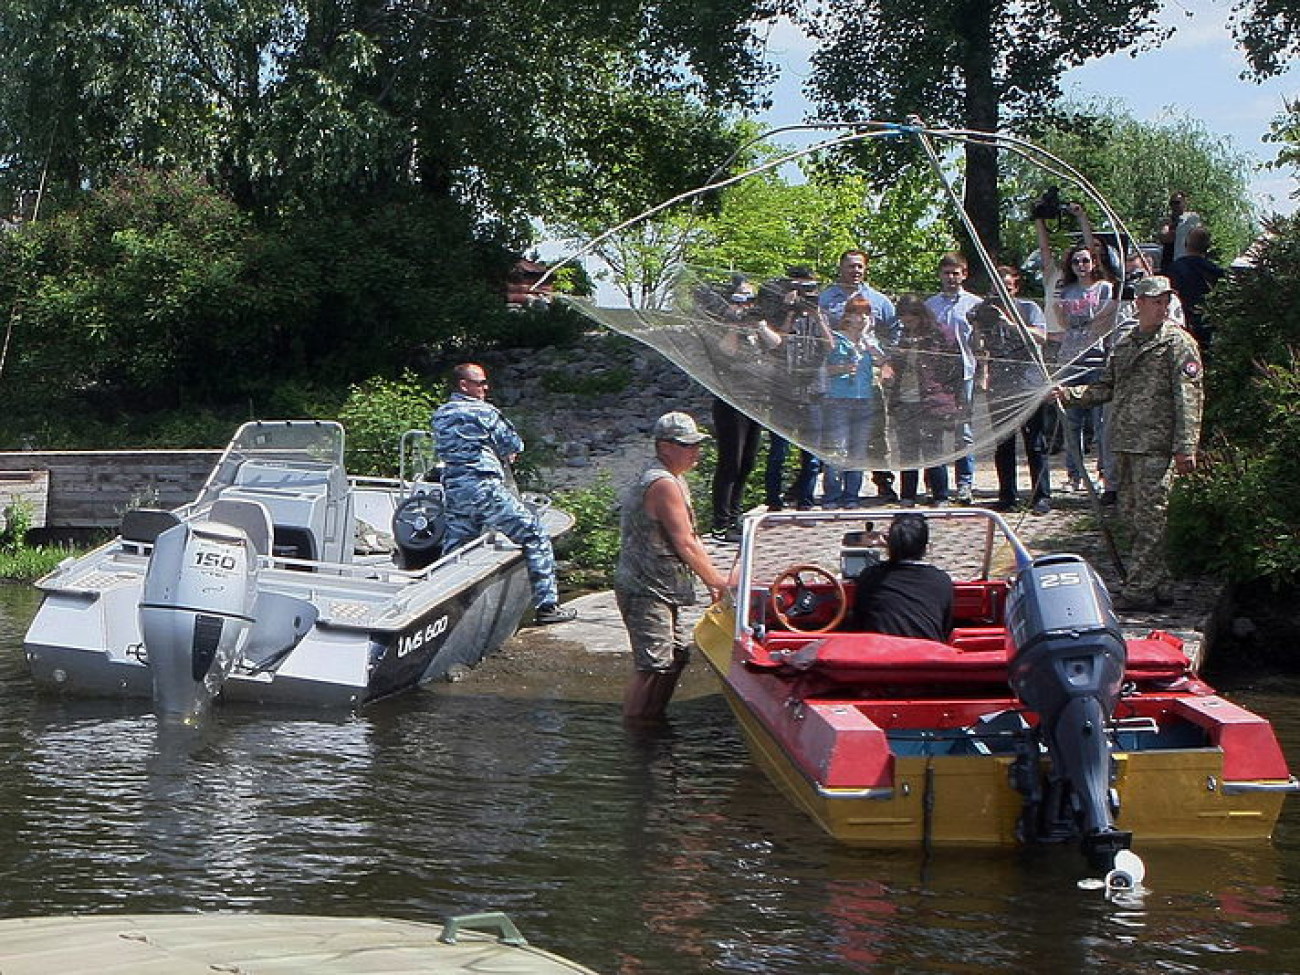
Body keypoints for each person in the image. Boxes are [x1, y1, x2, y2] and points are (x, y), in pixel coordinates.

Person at [1057, 276, 1203, 611]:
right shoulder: (1124, 343)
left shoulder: (1178, 344)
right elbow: (1106, 386)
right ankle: (1160, 581)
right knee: (1132, 517)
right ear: (1138, 303)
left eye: (1166, 301)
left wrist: (1186, 447)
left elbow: (1189, 398)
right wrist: (1071, 395)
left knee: (1152, 517)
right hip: (1124, 442)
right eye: (1155, 301)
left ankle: (1138, 590)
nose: (1162, 307)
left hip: (1157, 445)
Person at [432, 362, 576, 625]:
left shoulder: (441, 414)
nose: (486, 388)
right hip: (485, 489)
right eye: (480, 383)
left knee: (455, 553)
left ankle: (444, 613)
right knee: (534, 534)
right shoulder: (484, 412)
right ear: (464, 385)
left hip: (454, 491)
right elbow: (512, 443)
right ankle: (547, 607)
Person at [617, 412, 730, 720]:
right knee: (652, 666)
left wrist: (714, 575)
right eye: (687, 446)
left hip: (663, 586)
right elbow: (685, 542)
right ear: (664, 446)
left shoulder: (673, 478)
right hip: (644, 588)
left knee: (677, 657)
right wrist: (716, 583)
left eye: (697, 445)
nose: (695, 452)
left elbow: (692, 538)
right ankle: (635, 731)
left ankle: (654, 720)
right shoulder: (662, 483)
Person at [1037, 207, 1117, 494]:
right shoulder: (1065, 290)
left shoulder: (1105, 288)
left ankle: (1105, 474)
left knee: (1101, 420)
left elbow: (1105, 320)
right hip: (1070, 358)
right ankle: (1074, 473)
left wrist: (1083, 220)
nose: (1081, 265)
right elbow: (1062, 320)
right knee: (1071, 421)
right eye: (1076, 262)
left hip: (1097, 359)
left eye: (1085, 261)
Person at [970, 267, 1052, 514]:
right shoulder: (986, 312)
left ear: (1015, 287)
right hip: (1000, 384)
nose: (1003, 292)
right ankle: (1007, 495)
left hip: (1029, 382)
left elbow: (1041, 336)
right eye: (998, 288)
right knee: (1003, 443)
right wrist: (977, 326)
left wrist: (1010, 323)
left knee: (1035, 443)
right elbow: (977, 347)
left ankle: (1041, 496)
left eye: (1007, 287)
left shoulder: (1029, 308)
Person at [820, 248, 900, 502]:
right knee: (836, 442)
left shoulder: (878, 300)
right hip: (835, 383)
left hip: (869, 380)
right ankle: (831, 493)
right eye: (850, 266)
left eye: (859, 266)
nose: (855, 271)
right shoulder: (826, 298)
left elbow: (894, 331)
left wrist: (885, 360)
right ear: (841, 268)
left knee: (874, 435)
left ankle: (882, 483)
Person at [708, 276, 775, 539]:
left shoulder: (755, 328)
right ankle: (720, 523)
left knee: (747, 462)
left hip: (755, 401)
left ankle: (734, 516)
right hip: (731, 402)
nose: (745, 305)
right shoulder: (718, 327)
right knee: (730, 462)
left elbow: (776, 344)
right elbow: (727, 351)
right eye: (740, 299)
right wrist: (734, 324)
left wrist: (758, 325)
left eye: (750, 299)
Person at [762, 265, 831, 511]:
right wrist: (789, 311)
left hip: (813, 391)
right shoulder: (778, 312)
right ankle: (773, 501)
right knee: (779, 452)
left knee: (811, 455)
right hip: (784, 391)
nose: (803, 294)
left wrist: (816, 315)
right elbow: (776, 345)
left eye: (808, 288)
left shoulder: (819, 313)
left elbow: (830, 346)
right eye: (797, 287)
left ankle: (806, 501)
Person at [885, 295, 961, 507]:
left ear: (921, 316)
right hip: (905, 400)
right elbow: (895, 365)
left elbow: (954, 366)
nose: (907, 325)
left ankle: (940, 496)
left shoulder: (939, 334)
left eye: (911, 321)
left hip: (932, 400)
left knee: (933, 450)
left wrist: (949, 397)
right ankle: (908, 495)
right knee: (908, 451)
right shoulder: (902, 336)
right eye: (903, 321)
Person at [924, 254, 981, 504]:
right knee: (934, 429)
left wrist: (982, 373)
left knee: (963, 430)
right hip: (936, 376)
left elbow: (981, 343)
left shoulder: (975, 304)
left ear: (964, 274)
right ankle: (937, 488)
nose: (951, 278)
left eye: (956, 273)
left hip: (965, 373)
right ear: (940, 275)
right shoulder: (929, 306)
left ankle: (965, 484)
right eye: (947, 273)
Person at [821, 296, 885, 507]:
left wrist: (867, 339)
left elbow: (883, 362)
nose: (862, 318)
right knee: (837, 449)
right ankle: (831, 496)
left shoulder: (870, 341)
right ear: (847, 316)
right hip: (838, 400)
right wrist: (842, 369)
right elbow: (824, 369)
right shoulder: (837, 339)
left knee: (858, 451)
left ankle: (851, 496)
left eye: (866, 314)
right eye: (857, 314)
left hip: (864, 400)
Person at [851, 513, 953, 641]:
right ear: (926, 548)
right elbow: (946, 627)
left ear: (889, 546)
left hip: (879, 654)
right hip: (926, 655)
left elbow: (858, 621)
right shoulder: (941, 580)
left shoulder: (870, 576)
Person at [1167, 225, 1225, 353]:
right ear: (1208, 247)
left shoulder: (1175, 268)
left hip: (1181, 324)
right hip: (1207, 327)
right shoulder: (1217, 273)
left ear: (1186, 244)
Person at [1159, 191, 1203, 269]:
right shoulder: (1167, 221)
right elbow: (1165, 238)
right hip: (1169, 262)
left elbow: (1197, 239)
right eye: (1172, 203)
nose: (1174, 206)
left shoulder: (1192, 218)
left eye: (1177, 202)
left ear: (1184, 203)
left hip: (1187, 262)